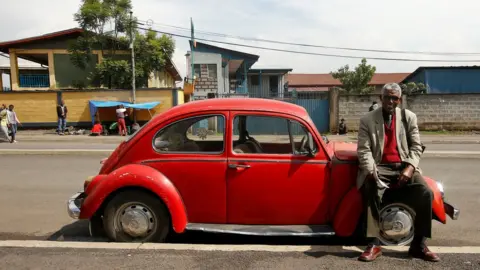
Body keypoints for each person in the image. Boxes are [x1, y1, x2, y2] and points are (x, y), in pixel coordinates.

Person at [356, 83, 438, 262]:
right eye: (387, 97)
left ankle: (418, 245)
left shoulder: (409, 117)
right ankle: (374, 243)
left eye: (394, 98)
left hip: (403, 166)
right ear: (381, 98)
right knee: (370, 187)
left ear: (399, 100)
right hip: (379, 166)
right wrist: (372, 171)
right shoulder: (367, 119)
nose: (390, 101)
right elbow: (364, 150)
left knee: (426, 193)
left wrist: (409, 168)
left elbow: (416, 147)